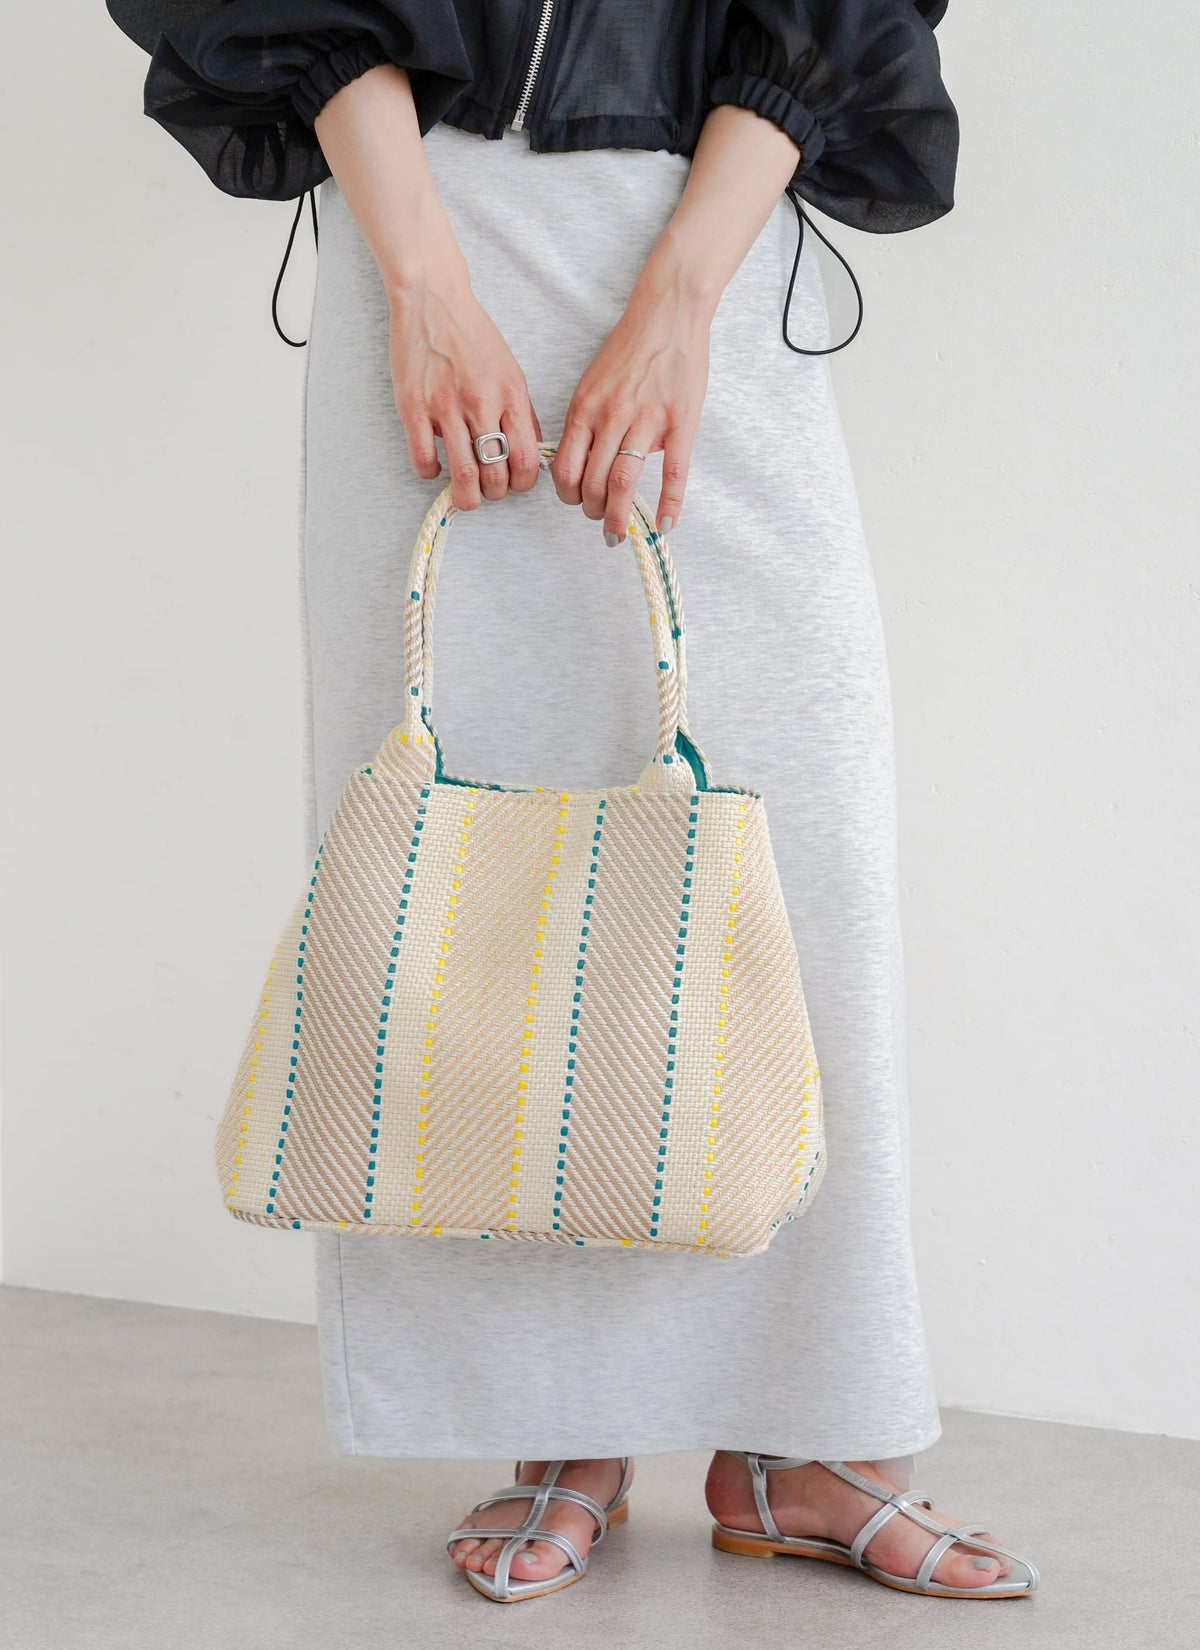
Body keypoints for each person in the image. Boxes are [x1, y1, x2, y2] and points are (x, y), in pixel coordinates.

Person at [107, 0, 1039, 1605]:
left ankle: (805, 1435)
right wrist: (421, 280)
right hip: (426, 216)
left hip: (714, 226)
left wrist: (681, 297)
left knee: (799, 867)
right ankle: (560, 1425)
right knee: (491, 914)